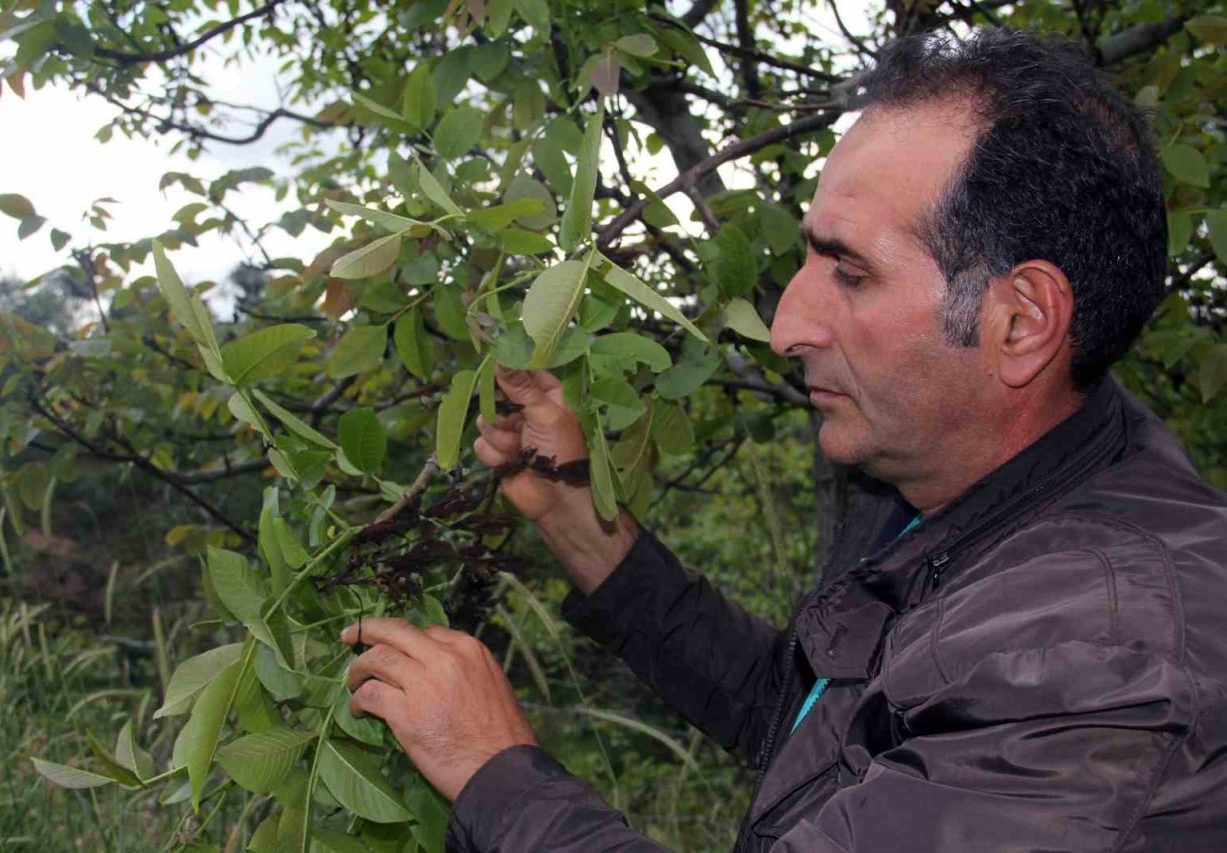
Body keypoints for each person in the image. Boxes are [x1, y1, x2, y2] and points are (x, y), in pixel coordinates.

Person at [340, 28, 1227, 852]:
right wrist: (579, 517)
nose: (785, 325)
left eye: (850, 270)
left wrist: (498, 774)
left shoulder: (1097, 653)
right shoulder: (965, 485)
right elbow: (807, 715)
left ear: (1021, 320)